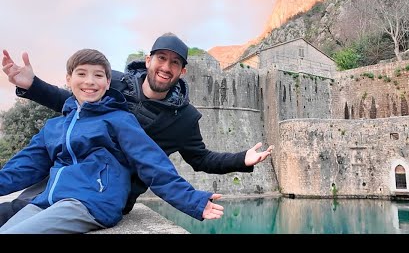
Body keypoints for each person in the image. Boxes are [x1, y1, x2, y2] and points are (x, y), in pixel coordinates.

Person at [1, 32, 273, 226]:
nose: (165, 67)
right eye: (161, 58)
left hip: (107, 193)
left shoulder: (184, 118)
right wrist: (32, 85)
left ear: (182, 72)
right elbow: (74, 106)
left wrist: (241, 159)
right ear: (148, 60)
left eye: (174, 63)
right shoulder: (115, 83)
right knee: (17, 208)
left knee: (23, 212)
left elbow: (199, 158)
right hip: (74, 169)